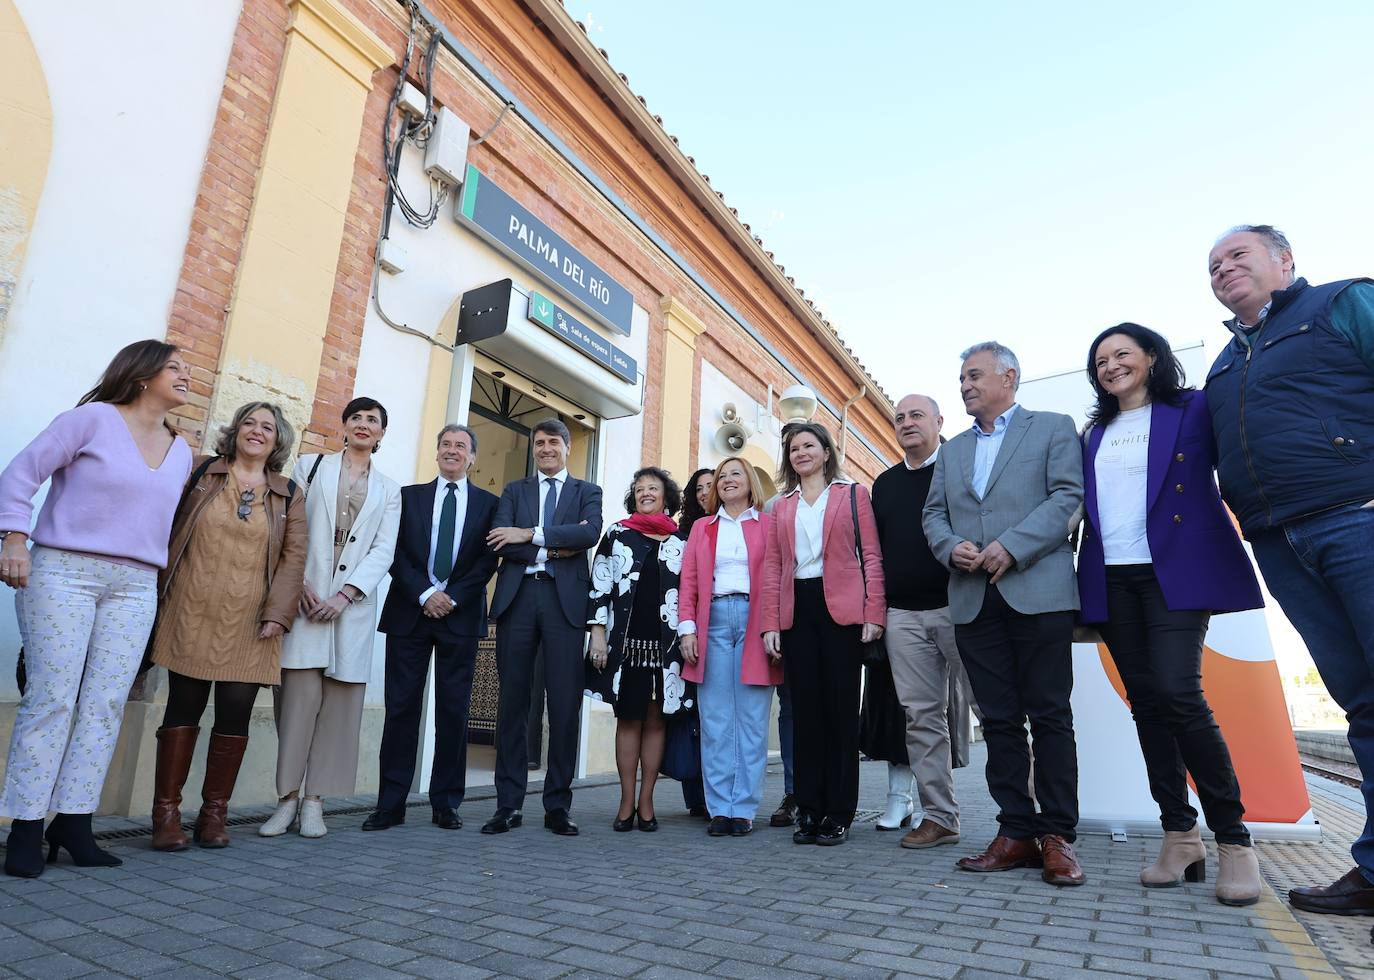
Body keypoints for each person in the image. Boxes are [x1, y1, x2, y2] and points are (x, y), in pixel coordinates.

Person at [1203, 225, 1374, 914]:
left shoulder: (1343, 303)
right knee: (1361, 702)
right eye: (1212, 265)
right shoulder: (1221, 368)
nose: (1223, 268)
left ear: (1284, 260)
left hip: (1358, 516)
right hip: (1280, 543)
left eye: (1237, 255)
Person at [1078, 323, 1264, 905]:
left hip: (1175, 571)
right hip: (1113, 576)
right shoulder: (1094, 431)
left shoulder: (1193, 409)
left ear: (1152, 357)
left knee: (1179, 693)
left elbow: (1235, 464)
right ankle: (1180, 835)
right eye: (1101, 360)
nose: (1110, 366)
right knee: (1149, 705)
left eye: (1122, 354)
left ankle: (1234, 841)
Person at [0, 341, 193, 878]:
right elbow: (20, 473)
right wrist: (14, 538)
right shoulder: (89, 420)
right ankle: (25, 826)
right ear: (141, 373)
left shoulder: (181, 450)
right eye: (175, 367)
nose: (186, 376)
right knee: (53, 697)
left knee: (106, 702)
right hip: (64, 570)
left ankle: (75, 820)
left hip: (135, 585)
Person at [923, 341, 1086, 886]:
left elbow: (1068, 499)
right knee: (998, 720)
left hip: (1037, 591)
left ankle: (1058, 835)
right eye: (961, 377)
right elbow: (934, 515)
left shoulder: (1053, 427)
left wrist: (1014, 545)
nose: (965, 385)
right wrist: (952, 549)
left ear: (1008, 377)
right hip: (973, 600)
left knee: (1049, 715)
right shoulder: (951, 451)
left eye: (973, 375)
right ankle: (1015, 831)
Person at [149, 401, 306, 852]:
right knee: (183, 708)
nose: (257, 431)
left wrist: (279, 613)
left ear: (278, 441)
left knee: (234, 716)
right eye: (250, 423)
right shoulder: (201, 473)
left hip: (253, 623)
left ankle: (213, 814)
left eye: (268, 428)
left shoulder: (288, 493)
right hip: (191, 610)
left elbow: (294, 559)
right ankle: (166, 814)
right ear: (235, 430)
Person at [261, 397, 401, 839]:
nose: (363, 424)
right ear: (343, 425)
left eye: (373, 420)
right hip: (305, 599)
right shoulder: (309, 467)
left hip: (350, 609)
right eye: (356, 417)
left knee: (338, 709)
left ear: (381, 434)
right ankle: (286, 799)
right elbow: (289, 527)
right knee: (297, 705)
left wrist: (345, 595)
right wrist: (300, 585)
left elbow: (384, 549)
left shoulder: (389, 489)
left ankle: (315, 802)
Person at [361, 424, 498, 832]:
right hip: (410, 613)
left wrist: (451, 596)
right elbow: (393, 550)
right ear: (436, 453)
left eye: (461, 446)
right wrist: (424, 593)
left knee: (453, 713)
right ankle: (391, 804)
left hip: (460, 615)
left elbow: (487, 562)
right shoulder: (408, 497)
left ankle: (446, 803)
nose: (452, 451)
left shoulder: (490, 504)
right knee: (402, 710)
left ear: (472, 457)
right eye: (446, 445)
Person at [760, 423, 885, 847]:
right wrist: (770, 623)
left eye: (809, 445)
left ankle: (838, 813)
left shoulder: (852, 495)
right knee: (806, 715)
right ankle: (809, 810)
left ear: (827, 452)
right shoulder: (782, 506)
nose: (800, 453)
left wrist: (875, 613)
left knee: (840, 713)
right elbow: (774, 567)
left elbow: (870, 556)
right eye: (793, 448)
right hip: (798, 607)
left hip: (842, 612)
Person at [483, 418, 602, 836]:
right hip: (518, 601)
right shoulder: (515, 491)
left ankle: (557, 806)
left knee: (564, 705)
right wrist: (555, 547)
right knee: (512, 704)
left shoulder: (587, 491)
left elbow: (589, 534)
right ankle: (508, 805)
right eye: (539, 444)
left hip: (564, 605)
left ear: (567, 447)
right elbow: (501, 541)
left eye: (553, 442)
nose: (546, 449)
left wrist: (530, 534)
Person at [870, 394, 978, 846]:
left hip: (962, 608)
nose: (907, 423)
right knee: (921, 718)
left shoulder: (962, 470)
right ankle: (940, 817)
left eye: (917, 415)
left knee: (994, 710)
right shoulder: (885, 484)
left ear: (939, 421)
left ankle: (1030, 819)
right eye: (900, 418)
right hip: (903, 616)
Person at [586, 467, 691, 832]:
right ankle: (625, 799)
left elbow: (690, 596)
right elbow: (599, 586)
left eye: (653, 488)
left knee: (657, 720)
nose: (646, 493)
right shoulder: (617, 534)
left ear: (667, 497)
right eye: (640, 489)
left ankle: (648, 800)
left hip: (668, 648)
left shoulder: (682, 541)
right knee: (628, 719)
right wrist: (597, 635)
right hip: (626, 646)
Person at [678, 457, 778, 836]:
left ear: (751, 483)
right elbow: (688, 583)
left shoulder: (769, 525)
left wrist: (773, 624)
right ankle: (720, 807)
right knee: (715, 719)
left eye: (736, 473)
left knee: (752, 721)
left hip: (756, 620)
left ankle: (745, 808)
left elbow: (776, 578)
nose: (727, 480)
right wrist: (687, 629)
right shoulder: (703, 528)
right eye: (721, 476)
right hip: (713, 621)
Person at [675, 468, 714, 819]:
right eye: (698, 488)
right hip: (686, 630)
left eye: (710, 485)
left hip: (723, 629)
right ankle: (696, 793)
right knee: (693, 714)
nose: (704, 493)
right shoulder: (682, 534)